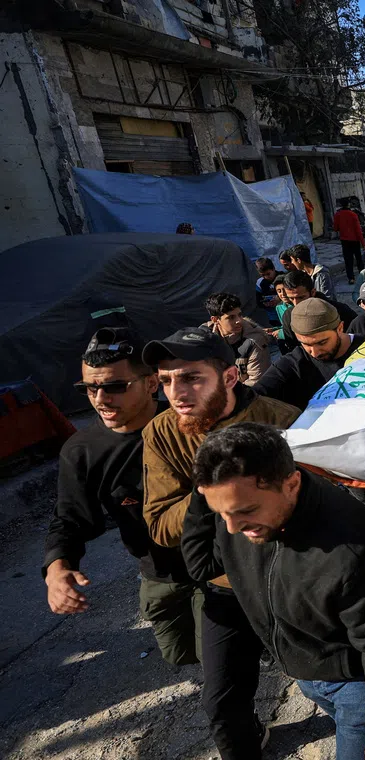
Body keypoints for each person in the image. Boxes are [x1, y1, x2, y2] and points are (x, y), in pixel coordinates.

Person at [185, 424, 365, 760]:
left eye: (245, 512)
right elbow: (201, 566)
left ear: (291, 484)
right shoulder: (240, 511)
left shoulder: (352, 546)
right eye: (221, 513)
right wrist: (205, 496)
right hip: (305, 671)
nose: (232, 528)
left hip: (355, 683)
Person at [141, 327, 299, 760]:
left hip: (285, 581)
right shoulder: (161, 433)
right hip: (223, 588)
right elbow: (158, 524)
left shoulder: (282, 420)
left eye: (192, 377)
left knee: (333, 684)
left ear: (230, 377)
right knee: (222, 707)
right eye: (167, 380)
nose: (177, 392)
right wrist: (214, 489)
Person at [44, 327, 201, 667]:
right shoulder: (82, 451)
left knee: (225, 673)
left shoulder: (190, 421)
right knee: (181, 656)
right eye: (90, 387)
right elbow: (71, 518)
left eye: (115, 386)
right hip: (159, 575)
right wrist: (58, 569)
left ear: (150, 384)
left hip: (219, 567)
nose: (100, 398)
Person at [254, 299, 365, 411]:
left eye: (322, 342)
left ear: (340, 328)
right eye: (306, 344)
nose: (315, 352)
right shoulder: (295, 362)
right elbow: (257, 395)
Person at [201, 293, 271, 387]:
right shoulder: (204, 337)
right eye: (231, 317)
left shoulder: (254, 340)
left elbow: (256, 382)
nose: (239, 320)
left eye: (240, 315)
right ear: (215, 320)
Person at [278, 270, 359, 350]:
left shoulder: (339, 310)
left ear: (313, 292)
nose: (296, 303)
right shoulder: (289, 316)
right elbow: (293, 348)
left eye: (301, 297)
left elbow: (357, 335)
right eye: (291, 298)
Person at [332, 199, 365, 283]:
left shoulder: (338, 215)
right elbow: (358, 230)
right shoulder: (353, 215)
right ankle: (363, 276)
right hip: (355, 240)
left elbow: (335, 228)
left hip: (344, 240)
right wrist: (363, 243)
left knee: (348, 259)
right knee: (358, 258)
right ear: (349, 205)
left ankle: (351, 278)